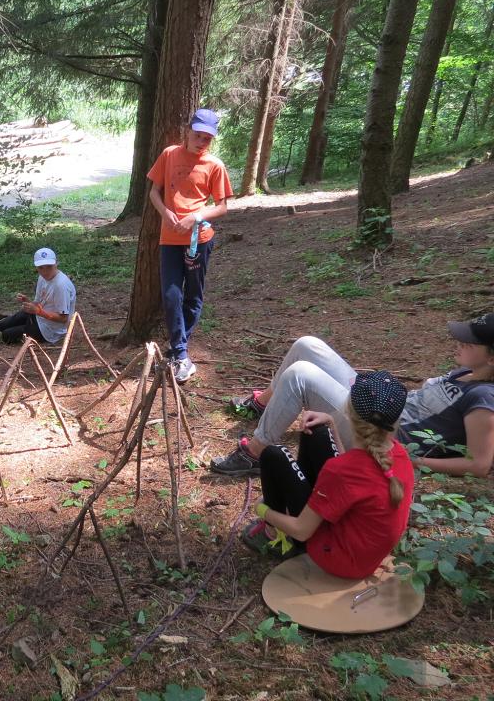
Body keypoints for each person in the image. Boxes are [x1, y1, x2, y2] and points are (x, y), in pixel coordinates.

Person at [213, 314, 494, 479]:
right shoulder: (467, 372)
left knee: (301, 375)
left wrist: (411, 461)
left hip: (380, 433)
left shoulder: (483, 398)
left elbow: (480, 465)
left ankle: (255, 454)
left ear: (491, 358)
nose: (459, 345)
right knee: (307, 345)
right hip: (379, 404)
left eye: (468, 344)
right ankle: (262, 403)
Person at [245, 371, 415, 580]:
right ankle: (291, 512)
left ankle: (274, 534)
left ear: (348, 411)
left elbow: (302, 530)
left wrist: (262, 509)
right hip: (364, 553)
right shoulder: (398, 455)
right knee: (318, 432)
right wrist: (331, 425)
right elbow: (355, 480)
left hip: (338, 559)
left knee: (274, 455)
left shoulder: (340, 470)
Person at [146, 108, 232, 383]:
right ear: (188, 131)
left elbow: (221, 207)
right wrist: (166, 213)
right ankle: (182, 354)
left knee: (193, 295)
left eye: (207, 138)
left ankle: (177, 351)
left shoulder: (214, 165)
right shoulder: (169, 154)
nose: (201, 142)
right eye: (198, 135)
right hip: (169, 239)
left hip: (199, 240)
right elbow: (153, 192)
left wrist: (195, 217)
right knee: (171, 295)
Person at [0, 247, 76, 345]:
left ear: (56, 263)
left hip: (51, 329)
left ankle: (29, 329)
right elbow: (39, 302)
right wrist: (28, 301)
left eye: (49, 266)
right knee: (1, 325)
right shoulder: (42, 278)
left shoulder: (60, 285)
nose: (45, 271)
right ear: (36, 267)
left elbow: (63, 318)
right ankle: (24, 324)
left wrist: (38, 311)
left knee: (6, 335)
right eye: (41, 268)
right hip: (39, 317)